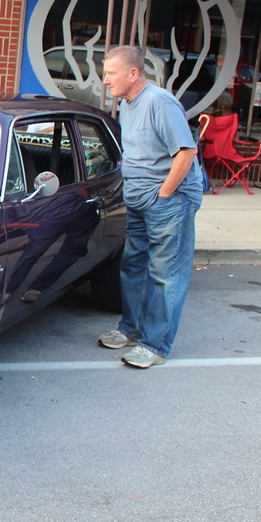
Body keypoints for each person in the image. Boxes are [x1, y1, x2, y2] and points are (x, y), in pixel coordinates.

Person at [97, 46, 203, 368]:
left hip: (167, 203)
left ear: (133, 73)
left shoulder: (159, 102)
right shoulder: (128, 104)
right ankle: (130, 329)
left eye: (110, 73)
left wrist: (165, 194)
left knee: (164, 275)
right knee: (132, 266)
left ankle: (155, 345)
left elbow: (186, 152)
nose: (104, 81)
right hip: (140, 202)